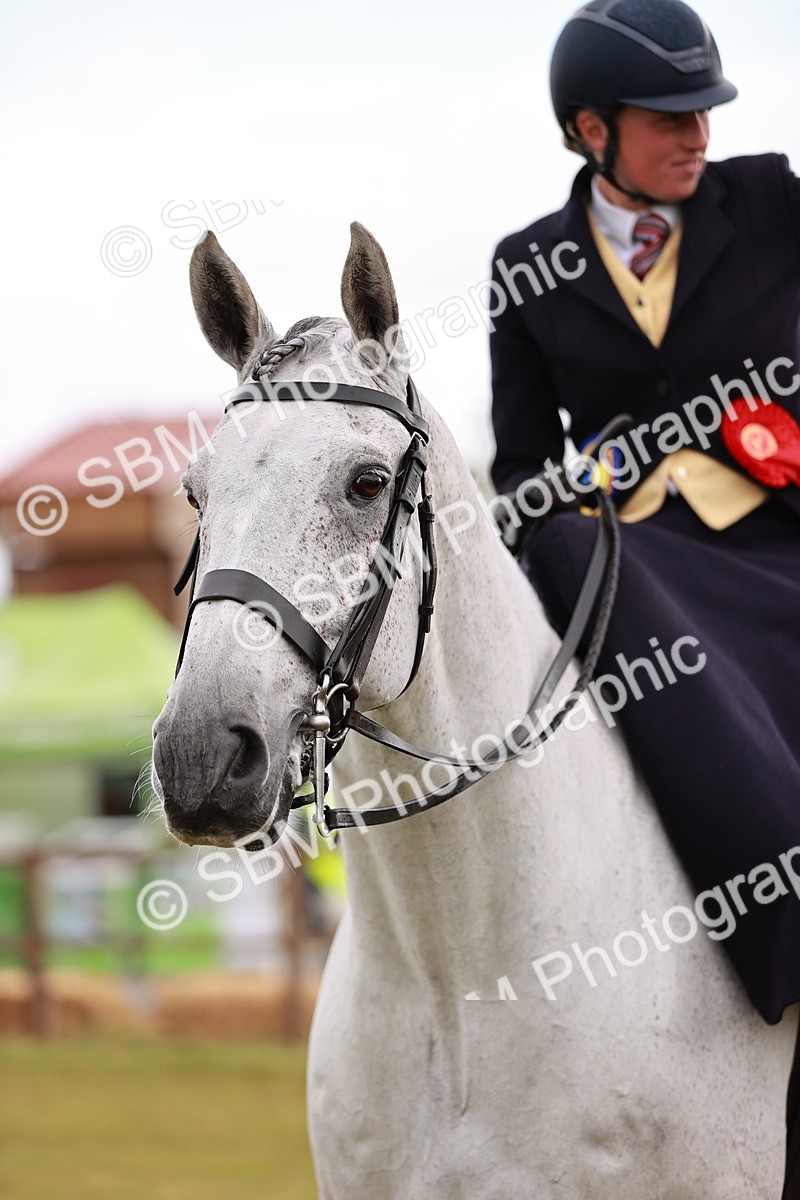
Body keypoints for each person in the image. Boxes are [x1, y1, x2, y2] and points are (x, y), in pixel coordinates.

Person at [488, 0, 800, 1190]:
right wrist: (569, 492)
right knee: (560, 546)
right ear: (589, 131)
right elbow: (517, 471)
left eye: (704, 114)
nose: (695, 138)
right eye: (668, 120)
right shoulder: (525, 265)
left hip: (770, 538)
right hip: (627, 562)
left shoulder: (769, 201)